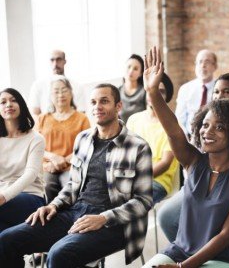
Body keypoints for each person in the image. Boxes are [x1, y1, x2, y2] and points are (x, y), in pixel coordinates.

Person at [0, 84, 153, 268]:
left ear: (118, 106)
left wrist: (103, 218)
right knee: (7, 239)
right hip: (75, 212)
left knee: (59, 254)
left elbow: (144, 201)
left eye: (104, 101)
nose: (97, 107)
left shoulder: (138, 146)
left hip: (114, 223)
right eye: (93, 102)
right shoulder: (83, 139)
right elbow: (73, 184)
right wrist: (53, 205)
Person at [143, 47, 229, 268]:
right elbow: (173, 131)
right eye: (205, 125)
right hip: (179, 251)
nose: (207, 132)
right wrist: (152, 92)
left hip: (222, 260)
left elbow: (226, 236)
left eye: (219, 127)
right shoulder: (193, 161)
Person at [158, 73, 229, 242]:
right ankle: (191, 251)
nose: (220, 96)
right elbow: (192, 166)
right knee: (167, 217)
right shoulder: (206, 125)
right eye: (216, 92)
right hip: (205, 189)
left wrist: (219, 196)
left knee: (217, 226)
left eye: (226, 92)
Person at [37, 75, 90, 202]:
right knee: (46, 186)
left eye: (64, 90)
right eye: (56, 91)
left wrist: (64, 161)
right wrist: (53, 159)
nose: (60, 95)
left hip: (73, 166)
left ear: (71, 93)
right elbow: (36, 147)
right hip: (48, 166)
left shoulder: (82, 118)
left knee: (70, 188)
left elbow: (86, 146)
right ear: (50, 96)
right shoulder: (43, 118)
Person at [127, 73, 179, 203]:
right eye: (152, 89)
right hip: (131, 177)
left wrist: (137, 178)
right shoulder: (134, 120)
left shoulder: (172, 125)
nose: (154, 94)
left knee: (128, 205)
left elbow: (165, 163)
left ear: (167, 96)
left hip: (158, 181)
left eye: (160, 91)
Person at [0, 88, 45, 232]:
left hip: (30, 196)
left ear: (21, 105)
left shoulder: (36, 139)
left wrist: (3, 197)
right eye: (3, 102)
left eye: (13, 100)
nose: (8, 104)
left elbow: (30, 175)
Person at [28, 49, 85, 115]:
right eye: (52, 60)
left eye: (59, 59)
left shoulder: (77, 86)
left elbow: (81, 113)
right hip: (45, 124)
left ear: (64, 61)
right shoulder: (37, 85)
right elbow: (35, 114)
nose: (55, 64)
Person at [175, 49, 217, 137]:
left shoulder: (219, 89)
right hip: (190, 137)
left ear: (215, 66)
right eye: (200, 62)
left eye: (207, 62)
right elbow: (179, 119)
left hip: (213, 137)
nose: (203, 65)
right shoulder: (185, 89)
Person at [118, 54, 146, 123]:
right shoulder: (117, 92)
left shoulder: (144, 92)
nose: (131, 71)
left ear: (140, 73)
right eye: (129, 67)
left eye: (135, 69)